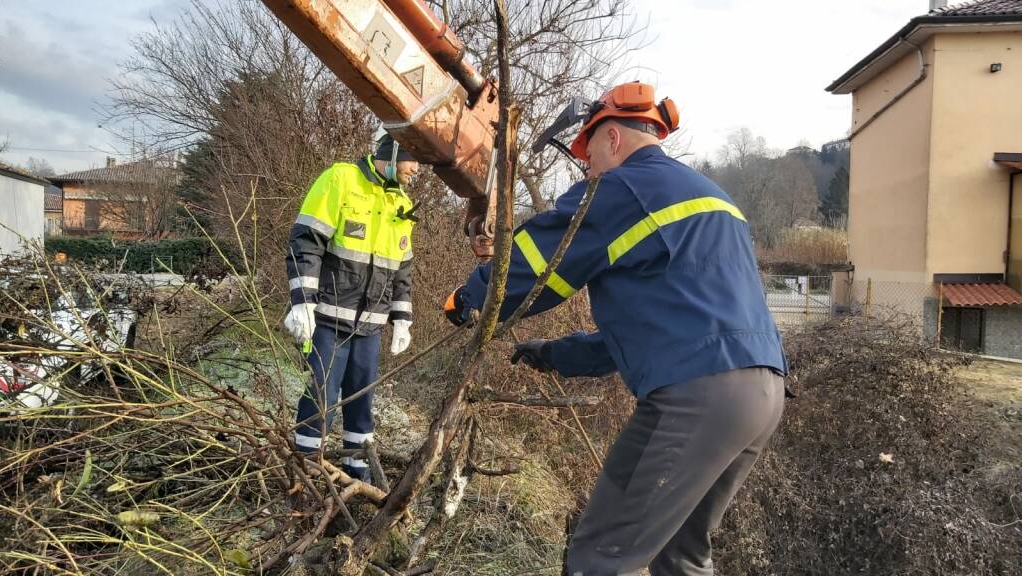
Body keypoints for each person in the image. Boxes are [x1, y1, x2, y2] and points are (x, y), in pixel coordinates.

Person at [444, 82, 787, 575]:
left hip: (698, 397)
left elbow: (542, 260)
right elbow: (667, 330)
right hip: (760, 393)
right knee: (682, 555)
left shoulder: (624, 187)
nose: (588, 170)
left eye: (589, 156)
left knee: (601, 556)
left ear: (612, 139)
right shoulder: (714, 199)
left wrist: (471, 299)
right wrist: (556, 355)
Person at [284, 132, 419, 481]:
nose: (416, 169)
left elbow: (402, 269)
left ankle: (358, 478)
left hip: (370, 328)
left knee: (362, 404)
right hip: (328, 321)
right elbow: (306, 241)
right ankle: (307, 475)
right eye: (412, 160)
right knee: (321, 399)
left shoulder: (401, 204)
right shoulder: (340, 180)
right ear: (392, 153)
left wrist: (402, 318)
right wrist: (302, 302)